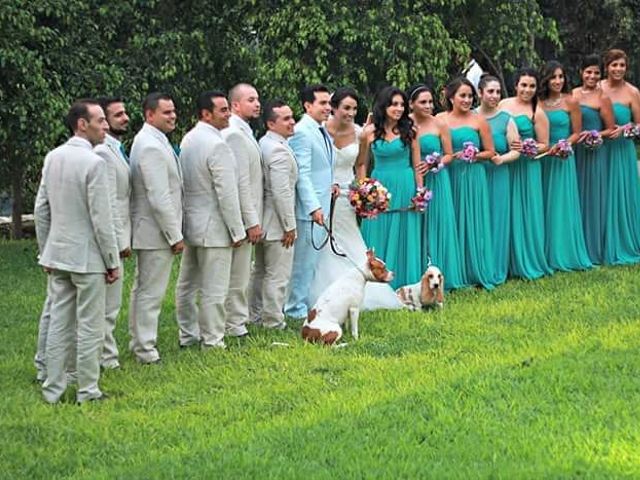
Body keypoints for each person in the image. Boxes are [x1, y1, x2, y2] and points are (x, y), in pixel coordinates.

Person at [35, 99, 119, 403]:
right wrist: (112, 261)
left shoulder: (53, 156)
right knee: (90, 325)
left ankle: (53, 390)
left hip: (58, 255)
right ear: (81, 124)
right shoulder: (95, 162)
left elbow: (41, 208)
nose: (105, 126)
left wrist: (45, 249)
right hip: (87, 258)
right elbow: (101, 219)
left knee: (58, 323)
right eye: (100, 121)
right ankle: (88, 390)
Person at [308, 87, 402, 308]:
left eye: (354, 108)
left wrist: (364, 190)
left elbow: (360, 164)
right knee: (322, 242)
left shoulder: (361, 133)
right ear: (333, 107)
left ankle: (363, 291)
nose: (350, 113)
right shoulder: (319, 131)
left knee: (350, 240)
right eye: (346, 108)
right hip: (323, 194)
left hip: (346, 196)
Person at [175, 91, 246, 349]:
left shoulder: (189, 138)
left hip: (191, 223)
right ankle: (213, 340)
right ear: (206, 114)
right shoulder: (217, 144)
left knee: (187, 284)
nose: (228, 114)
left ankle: (187, 334)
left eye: (228, 109)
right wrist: (237, 231)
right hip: (214, 226)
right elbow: (226, 192)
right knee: (214, 289)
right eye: (223, 110)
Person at [128, 92, 184, 364]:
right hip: (154, 231)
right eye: (166, 112)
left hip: (153, 230)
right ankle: (145, 348)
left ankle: (140, 342)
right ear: (150, 115)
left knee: (144, 290)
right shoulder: (149, 145)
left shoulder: (155, 140)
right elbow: (158, 197)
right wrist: (174, 235)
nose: (173, 116)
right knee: (150, 293)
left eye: (173, 111)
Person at [356, 86, 422, 289]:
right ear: (384, 106)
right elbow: (361, 163)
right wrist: (365, 189)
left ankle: (404, 279)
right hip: (380, 183)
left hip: (404, 182)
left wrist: (420, 192)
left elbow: (417, 165)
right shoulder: (368, 132)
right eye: (394, 104)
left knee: (404, 227)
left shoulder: (410, 131)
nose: (399, 108)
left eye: (402, 104)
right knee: (378, 226)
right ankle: (376, 281)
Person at [408, 83, 466, 290]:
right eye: (423, 102)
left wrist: (435, 162)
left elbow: (450, 154)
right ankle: (416, 271)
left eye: (430, 102)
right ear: (411, 104)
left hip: (437, 179)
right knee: (416, 225)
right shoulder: (405, 125)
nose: (428, 106)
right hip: (412, 179)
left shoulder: (439, 124)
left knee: (439, 222)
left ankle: (441, 273)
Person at [440, 77, 497, 289]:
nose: (466, 100)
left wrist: (475, 155)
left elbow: (491, 151)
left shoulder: (478, 120)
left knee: (473, 222)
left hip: (473, 176)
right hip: (450, 176)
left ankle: (476, 269)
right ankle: (454, 270)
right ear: (451, 97)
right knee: (452, 221)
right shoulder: (440, 119)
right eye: (462, 96)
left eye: (470, 96)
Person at [285, 84, 334, 320]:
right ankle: (294, 309)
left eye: (328, 103)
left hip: (324, 202)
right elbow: (301, 173)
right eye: (322, 103)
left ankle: (302, 303)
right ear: (307, 105)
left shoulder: (321, 129)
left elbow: (321, 167)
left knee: (312, 262)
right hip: (308, 210)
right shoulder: (302, 131)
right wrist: (313, 206)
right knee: (302, 263)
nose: (327, 107)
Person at [499, 68, 553, 280]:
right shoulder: (503, 104)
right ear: (516, 86)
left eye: (531, 86)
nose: (527, 90)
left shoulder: (536, 112)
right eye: (524, 85)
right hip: (505, 164)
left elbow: (545, 145)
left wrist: (528, 146)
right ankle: (506, 260)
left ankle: (528, 260)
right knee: (506, 211)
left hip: (527, 168)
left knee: (527, 212)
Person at [538, 61, 592, 271]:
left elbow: (577, 132)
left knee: (560, 205)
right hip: (542, 158)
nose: (558, 81)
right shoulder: (538, 102)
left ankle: (563, 252)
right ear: (545, 80)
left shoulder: (570, 102)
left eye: (561, 77)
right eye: (553, 77)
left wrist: (565, 144)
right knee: (542, 204)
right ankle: (542, 252)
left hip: (562, 158)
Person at [249, 101, 298, 329]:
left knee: (260, 272)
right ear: (271, 123)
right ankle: (273, 320)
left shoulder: (265, 143)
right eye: (285, 119)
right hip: (277, 222)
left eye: (292, 117)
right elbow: (281, 192)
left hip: (264, 219)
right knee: (277, 275)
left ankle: (256, 315)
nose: (292, 122)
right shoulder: (277, 149)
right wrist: (289, 226)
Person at [222, 83, 263, 337]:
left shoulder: (245, 131)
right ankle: (234, 323)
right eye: (250, 99)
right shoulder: (233, 134)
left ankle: (237, 319)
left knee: (241, 273)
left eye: (257, 99)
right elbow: (241, 183)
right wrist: (250, 221)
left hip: (247, 212)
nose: (257, 103)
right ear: (235, 105)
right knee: (237, 276)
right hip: (241, 215)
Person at [94, 97, 132, 369]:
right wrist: (119, 241)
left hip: (118, 232)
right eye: (117, 115)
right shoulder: (102, 154)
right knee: (107, 304)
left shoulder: (115, 149)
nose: (125, 118)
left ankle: (104, 353)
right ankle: (105, 357)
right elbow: (107, 203)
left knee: (111, 303)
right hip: (110, 236)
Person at [571, 55, 615, 264]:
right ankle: (575, 244)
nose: (592, 76)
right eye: (588, 71)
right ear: (581, 72)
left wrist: (596, 136)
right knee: (576, 195)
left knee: (594, 197)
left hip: (595, 152)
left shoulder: (603, 98)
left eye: (596, 73)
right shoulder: (572, 95)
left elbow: (610, 129)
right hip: (575, 152)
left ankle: (594, 248)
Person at [477, 75, 520, 285]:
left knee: (497, 221)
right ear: (480, 93)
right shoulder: (471, 116)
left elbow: (516, 150)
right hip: (476, 175)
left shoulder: (507, 119)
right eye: (490, 91)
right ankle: (477, 266)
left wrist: (501, 159)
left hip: (498, 174)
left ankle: (495, 268)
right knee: (478, 220)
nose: (494, 96)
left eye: (497, 92)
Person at [600, 49, 640, 264]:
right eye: (614, 65)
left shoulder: (632, 92)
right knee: (601, 195)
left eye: (622, 65)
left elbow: (639, 124)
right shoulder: (597, 88)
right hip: (599, 150)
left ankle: (624, 240)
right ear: (606, 67)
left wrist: (626, 130)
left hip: (622, 151)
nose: (618, 69)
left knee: (622, 195)